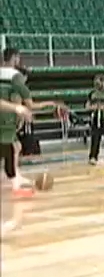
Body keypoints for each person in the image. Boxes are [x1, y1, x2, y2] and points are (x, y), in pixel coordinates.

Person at [1, 48, 60, 197]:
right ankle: (15, 182)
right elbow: (29, 104)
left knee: (15, 147)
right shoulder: (16, 77)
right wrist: (50, 103)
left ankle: (15, 177)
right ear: (15, 58)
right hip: (5, 119)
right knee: (10, 148)